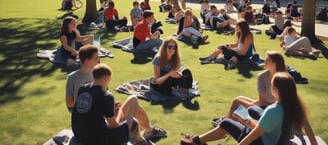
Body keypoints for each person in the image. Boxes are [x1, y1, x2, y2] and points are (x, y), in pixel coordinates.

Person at [181, 72, 310, 145]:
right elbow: (265, 129)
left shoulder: (274, 110)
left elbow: (254, 135)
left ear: (276, 90)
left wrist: (244, 123)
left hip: (262, 143)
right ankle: (199, 139)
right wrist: (246, 121)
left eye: (271, 86)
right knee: (250, 112)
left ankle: (196, 141)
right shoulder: (297, 107)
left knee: (226, 122)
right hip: (276, 140)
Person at [72, 63, 167, 145]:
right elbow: (114, 126)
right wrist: (120, 112)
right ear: (106, 78)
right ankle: (141, 142)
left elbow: (90, 108)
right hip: (97, 140)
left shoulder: (83, 88)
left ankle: (148, 131)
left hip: (79, 133)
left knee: (133, 98)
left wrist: (112, 109)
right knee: (132, 122)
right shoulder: (106, 96)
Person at [211, 51, 286, 127]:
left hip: (275, 108)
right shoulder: (263, 76)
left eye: (267, 60)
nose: (265, 61)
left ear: (274, 64)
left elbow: (263, 100)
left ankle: (227, 121)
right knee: (239, 99)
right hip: (267, 104)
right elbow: (263, 99)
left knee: (237, 101)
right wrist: (270, 100)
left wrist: (267, 101)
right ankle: (229, 119)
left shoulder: (283, 78)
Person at [65, 44, 99, 112]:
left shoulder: (97, 74)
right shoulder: (72, 78)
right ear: (87, 61)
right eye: (96, 58)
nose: (98, 60)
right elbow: (69, 103)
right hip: (80, 115)